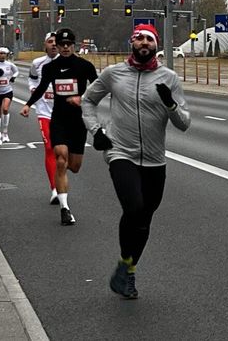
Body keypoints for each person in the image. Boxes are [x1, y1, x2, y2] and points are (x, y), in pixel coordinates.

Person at [82, 23, 191, 299]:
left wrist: (171, 104)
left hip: (155, 160)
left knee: (143, 219)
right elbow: (87, 101)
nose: (144, 43)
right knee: (134, 207)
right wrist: (96, 131)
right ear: (132, 43)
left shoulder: (169, 78)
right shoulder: (113, 74)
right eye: (139, 38)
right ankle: (127, 273)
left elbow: (184, 124)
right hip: (121, 152)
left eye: (149, 39)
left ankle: (127, 268)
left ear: (156, 46)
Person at [21, 28, 97, 226]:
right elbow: (40, 87)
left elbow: (99, 89)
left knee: (74, 166)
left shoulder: (85, 66)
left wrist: (82, 99)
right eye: (61, 44)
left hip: (78, 122)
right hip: (59, 119)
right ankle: (65, 208)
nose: (64, 48)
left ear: (74, 45)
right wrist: (28, 104)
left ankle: (62, 189)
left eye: (68, 44)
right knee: (60, 159)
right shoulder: (49, 68)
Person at [27, 32, 60, 204]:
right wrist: (33, 90)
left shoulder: (68, 62)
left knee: (64, 154)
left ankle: (60, 182)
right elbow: (32, 80)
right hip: (44, 112)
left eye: (56, 42)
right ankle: (54, 189)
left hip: (63, 114)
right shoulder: (37, 63)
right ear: (45, 44)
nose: (54, 44)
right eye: (50, 42)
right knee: (49, 148)